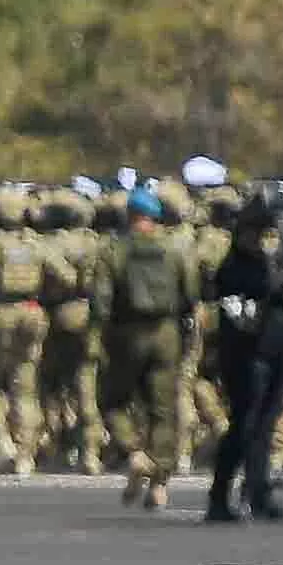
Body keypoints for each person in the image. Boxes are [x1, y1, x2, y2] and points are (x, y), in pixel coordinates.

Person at [98, 184, 195, 513]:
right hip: (166, 332)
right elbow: (190, 293)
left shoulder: (114, 251)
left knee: (113, 400)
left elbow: (101, 301)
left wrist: (104, 336)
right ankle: (160, 483)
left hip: (128, 333)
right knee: (163, 409)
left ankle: (134, 453)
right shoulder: (174, 248)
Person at [204, 194, 283, 524]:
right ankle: (220, 494)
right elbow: (242, 311)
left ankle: (258, 492)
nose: (262, 240)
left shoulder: (269, 264)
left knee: (264, 427)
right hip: (246, 356)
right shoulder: (234, 268)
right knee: (244, 427)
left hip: (274, 350)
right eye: (257, 233)